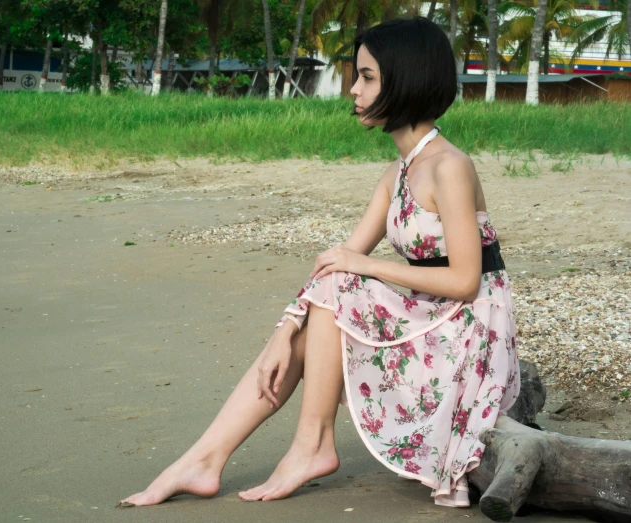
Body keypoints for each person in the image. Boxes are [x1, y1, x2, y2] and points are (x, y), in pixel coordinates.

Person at [121, 16, 520, 508]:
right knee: (325, 302)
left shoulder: (450, 167)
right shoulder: (398, 171)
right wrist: (282, 331)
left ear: (407, 77)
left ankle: (308, 445)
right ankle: (206, 457)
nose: (354, 89)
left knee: (346, 283)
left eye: (368, 77)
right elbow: (335, 264)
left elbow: (464, 280)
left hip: (468, 328)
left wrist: (367, 266)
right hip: (429, 314)